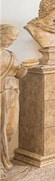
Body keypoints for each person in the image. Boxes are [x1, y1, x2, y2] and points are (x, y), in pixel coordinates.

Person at [1, 24, 31, 172]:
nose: (12, 40)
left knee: (10, 128)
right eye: (10, 37)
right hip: (1, 96)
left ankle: (4, 159)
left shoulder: (11, 55)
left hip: (12, 93)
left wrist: (24, 68)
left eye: (14, 38)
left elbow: (19, 74)